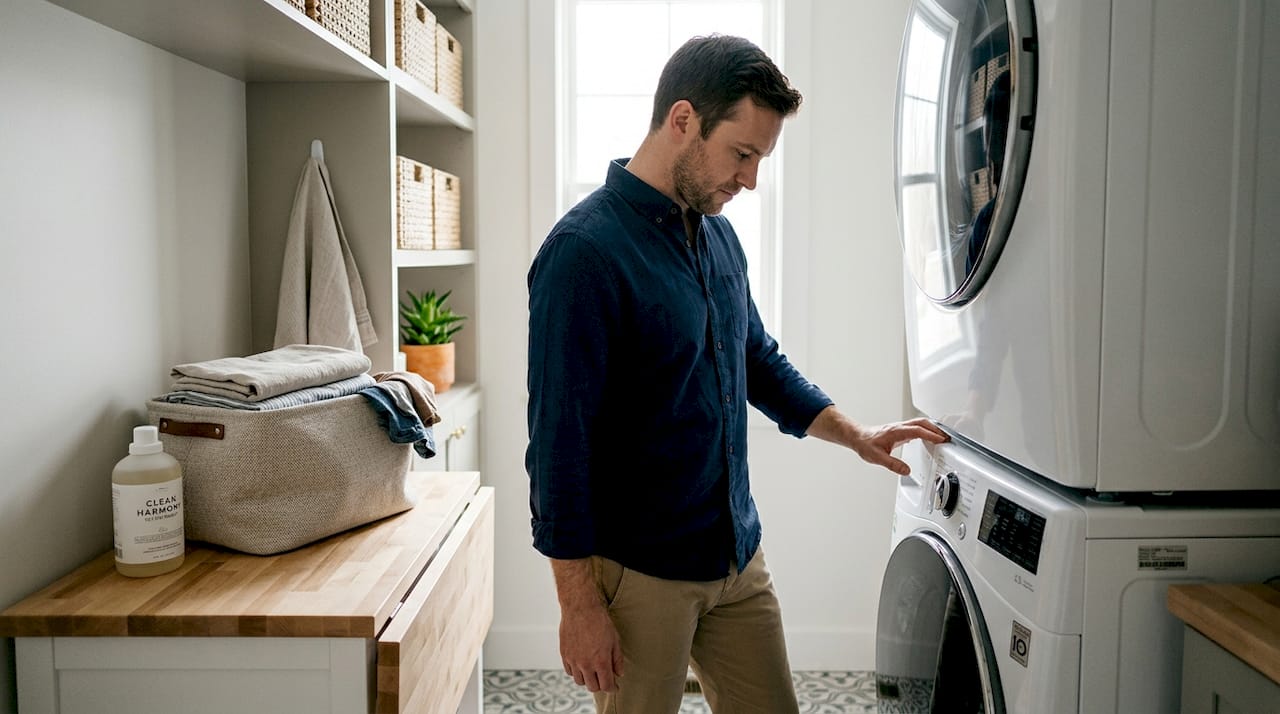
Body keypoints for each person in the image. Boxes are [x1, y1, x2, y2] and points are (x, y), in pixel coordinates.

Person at [526, 34, 949, 714]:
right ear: (683, 121)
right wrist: (578, 607)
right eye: (742, 154)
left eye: (759, 160)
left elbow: (756, 358)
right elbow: (558, 446)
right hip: (640, 573)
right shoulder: (584, 254)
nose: (750, 179)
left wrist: (855, 434)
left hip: (735, 557)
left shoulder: (717, 234)